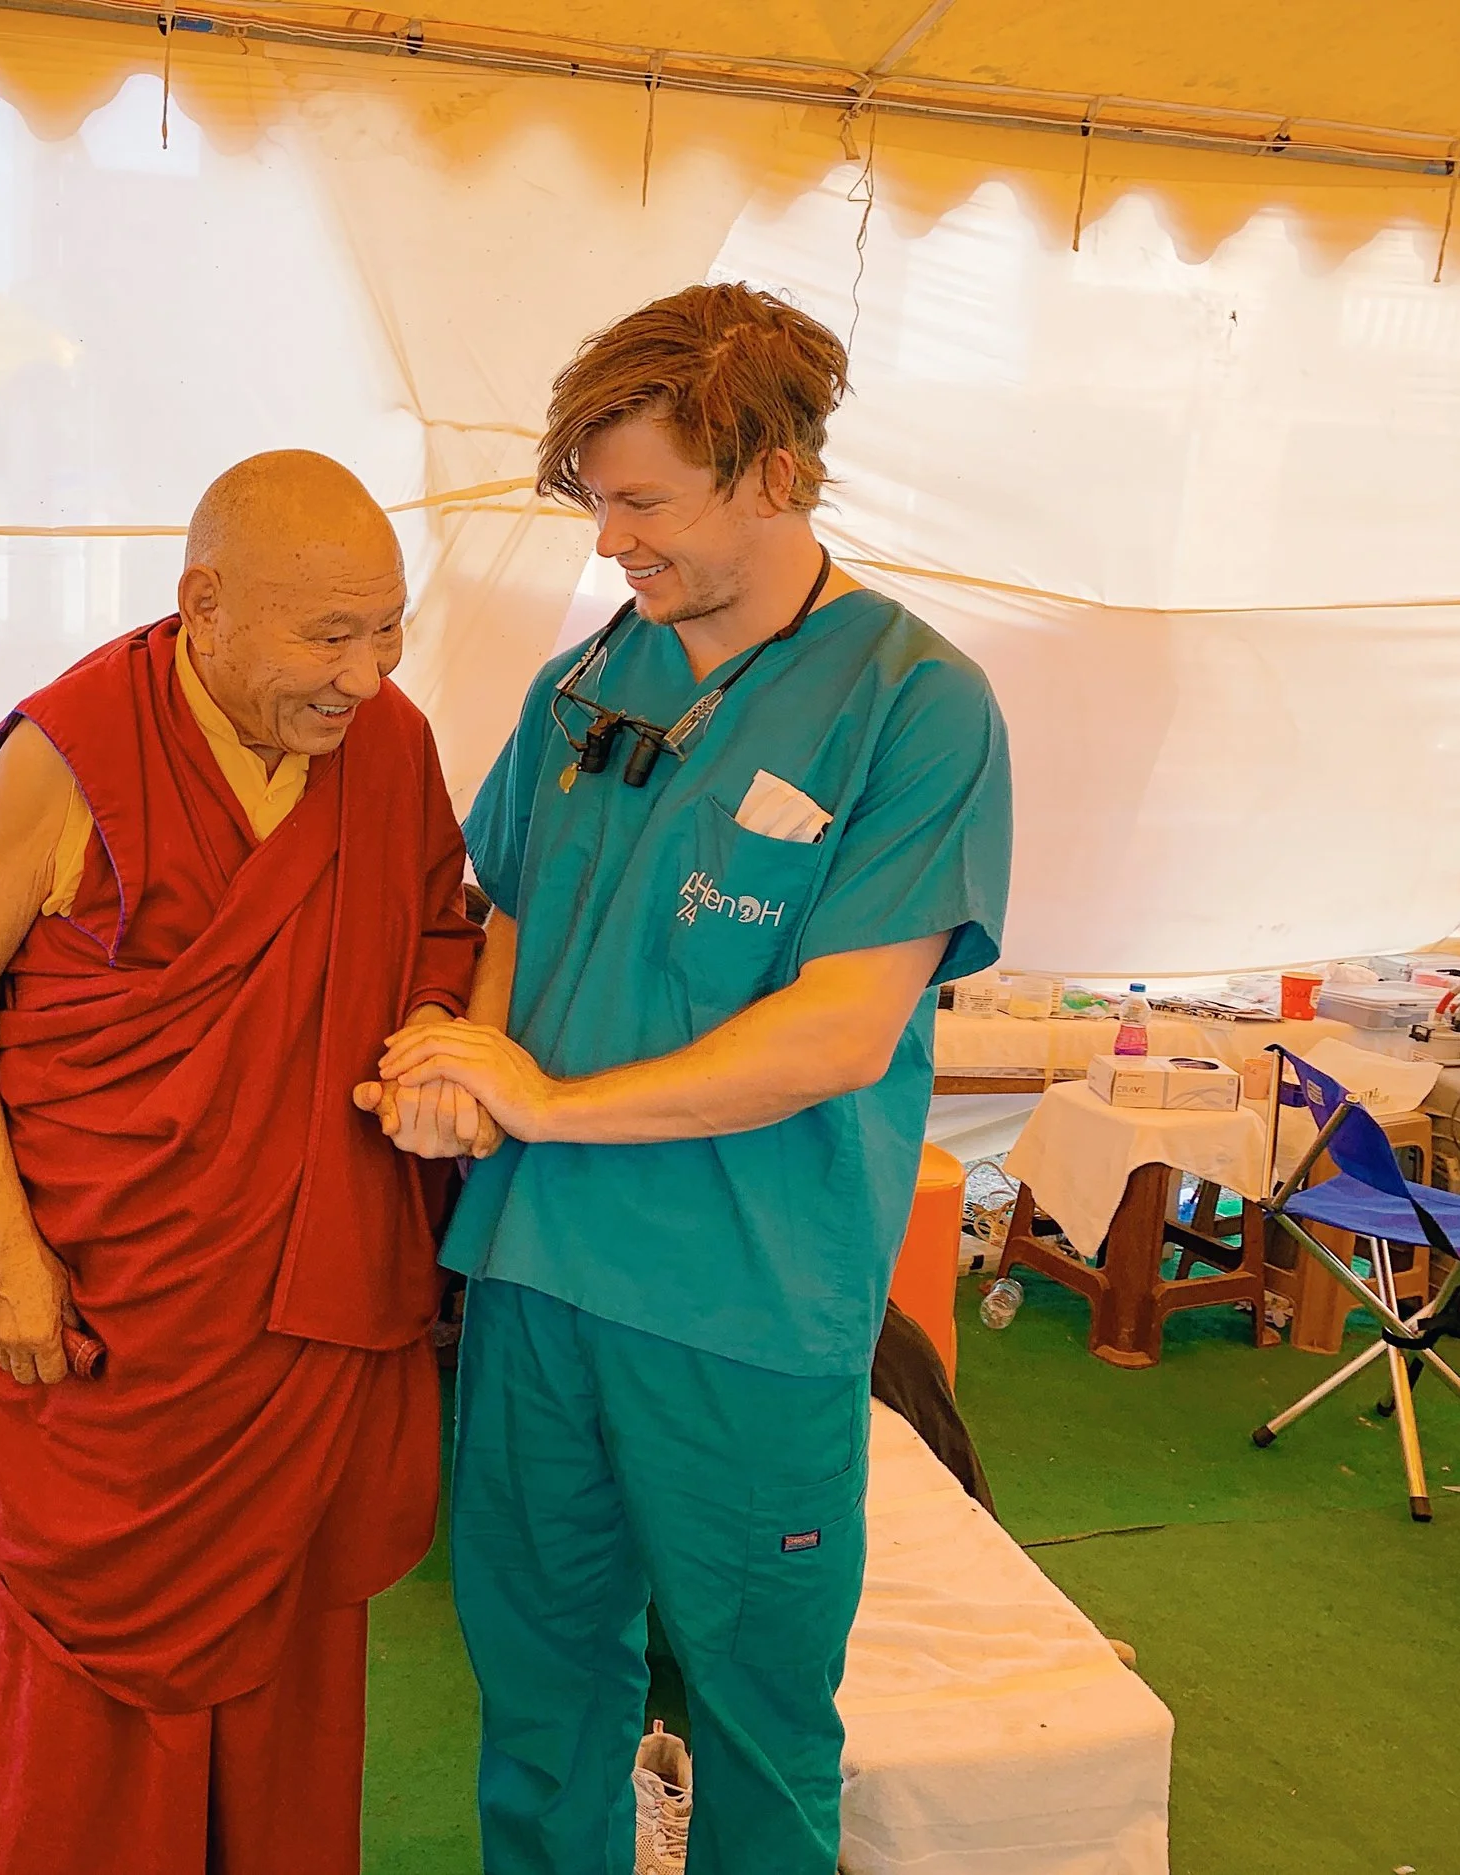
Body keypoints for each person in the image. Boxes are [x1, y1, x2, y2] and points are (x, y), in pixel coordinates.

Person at [377, 284, 1014, 1875]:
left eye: (646, 502)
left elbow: (839, 1033)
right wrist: (462, 1059)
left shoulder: (915, 708)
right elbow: (510, 914)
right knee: (539, 1707)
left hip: (742, 1312)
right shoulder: (588, 683)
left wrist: (539, 1101)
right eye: (600, 504)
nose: (613, 544)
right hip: (532, 1284)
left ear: (777, 476)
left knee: (754, 1725)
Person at [0, 450, 488, 1875]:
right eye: (328, 635)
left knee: (292, 1654)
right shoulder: (76, 750)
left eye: (388, 628)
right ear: (205, 604)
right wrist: (7, 1251)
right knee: (91, 1680)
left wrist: (431, 1040)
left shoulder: (395, 747)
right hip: (113, 1307)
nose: (365, 675)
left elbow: (434, 941)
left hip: (306, 1303)